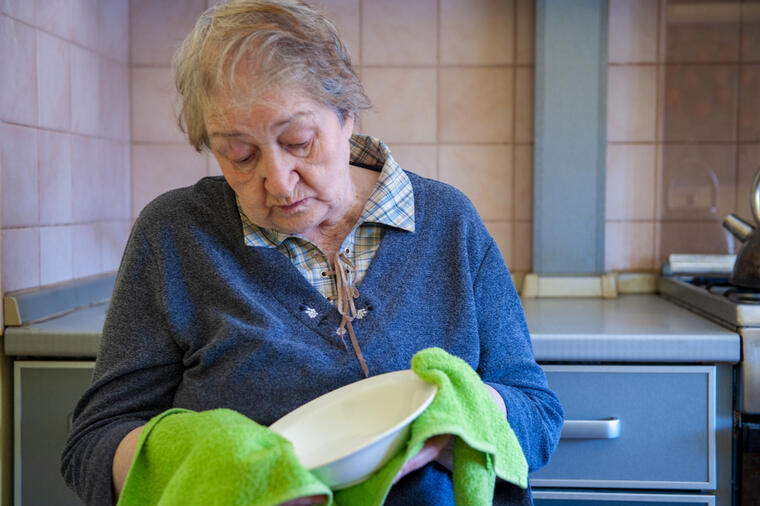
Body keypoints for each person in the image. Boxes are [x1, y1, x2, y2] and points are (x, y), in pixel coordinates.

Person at [61, 1, 564, 504]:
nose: (278, 182)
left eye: (299, 141)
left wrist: (459, 423)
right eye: (239, 155)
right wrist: (215, 470)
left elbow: (537, 415)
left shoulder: (448, 222)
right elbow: (93, 444)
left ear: (347, 114)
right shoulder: (174, 235)